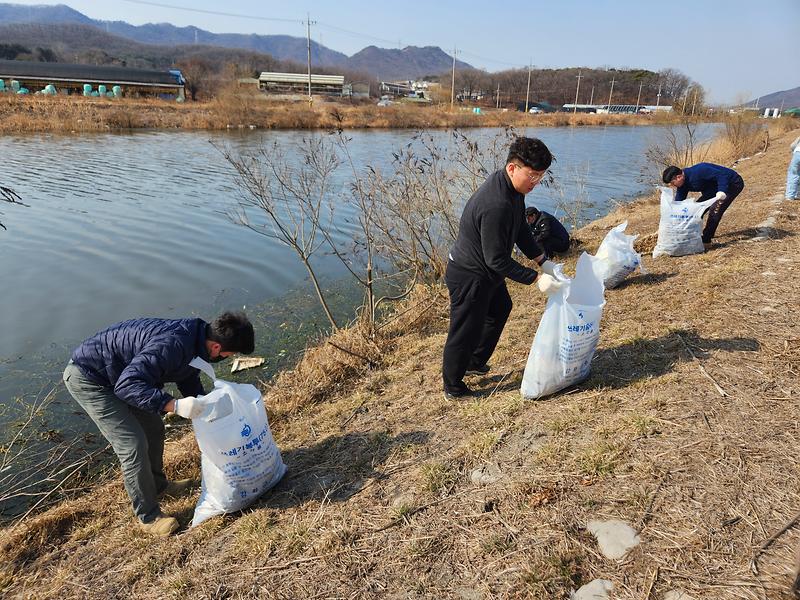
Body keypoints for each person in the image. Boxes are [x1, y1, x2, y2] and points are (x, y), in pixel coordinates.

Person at [62, 312, 255, 535]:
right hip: (90, 378)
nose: (229, 357)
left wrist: (207, 409)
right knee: (132, 444)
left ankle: (158, 486)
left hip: (122, 374)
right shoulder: (172, 344)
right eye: (230, 354)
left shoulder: (197, 340)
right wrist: (174, 405)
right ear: (216, 347)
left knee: (154, 428)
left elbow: (187, 375)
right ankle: (148, 517)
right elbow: (127, 385)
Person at [442, 137, 563, 400]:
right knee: (465, 329)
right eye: (532, 175)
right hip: (469, 274)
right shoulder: (495, 203)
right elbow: (496, 259)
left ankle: (474, 362)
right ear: (512, 168)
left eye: (540, 176)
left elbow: (520, 229)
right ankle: (453, 386)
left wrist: (542, 260)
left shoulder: (513, 191)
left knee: (500, 308)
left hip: (487, 272)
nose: (536, 182)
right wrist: (536, 278)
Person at [662, 163, 745, 247]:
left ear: (679, 177)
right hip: (713, 189)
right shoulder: (682, 184)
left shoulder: (700, 170)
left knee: (715, 211)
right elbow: (679, 203)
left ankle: (706, 240)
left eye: (672, 183)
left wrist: (722, 190)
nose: (672, 186)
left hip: (732, 183)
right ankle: (692, 234)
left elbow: (722, 175)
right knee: (696, 211)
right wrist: (670, 220)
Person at [786, 135, 800, 201]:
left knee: (793, 174)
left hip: (798, 153)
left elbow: (792, 146)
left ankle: (790, 196)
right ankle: (798, 194)